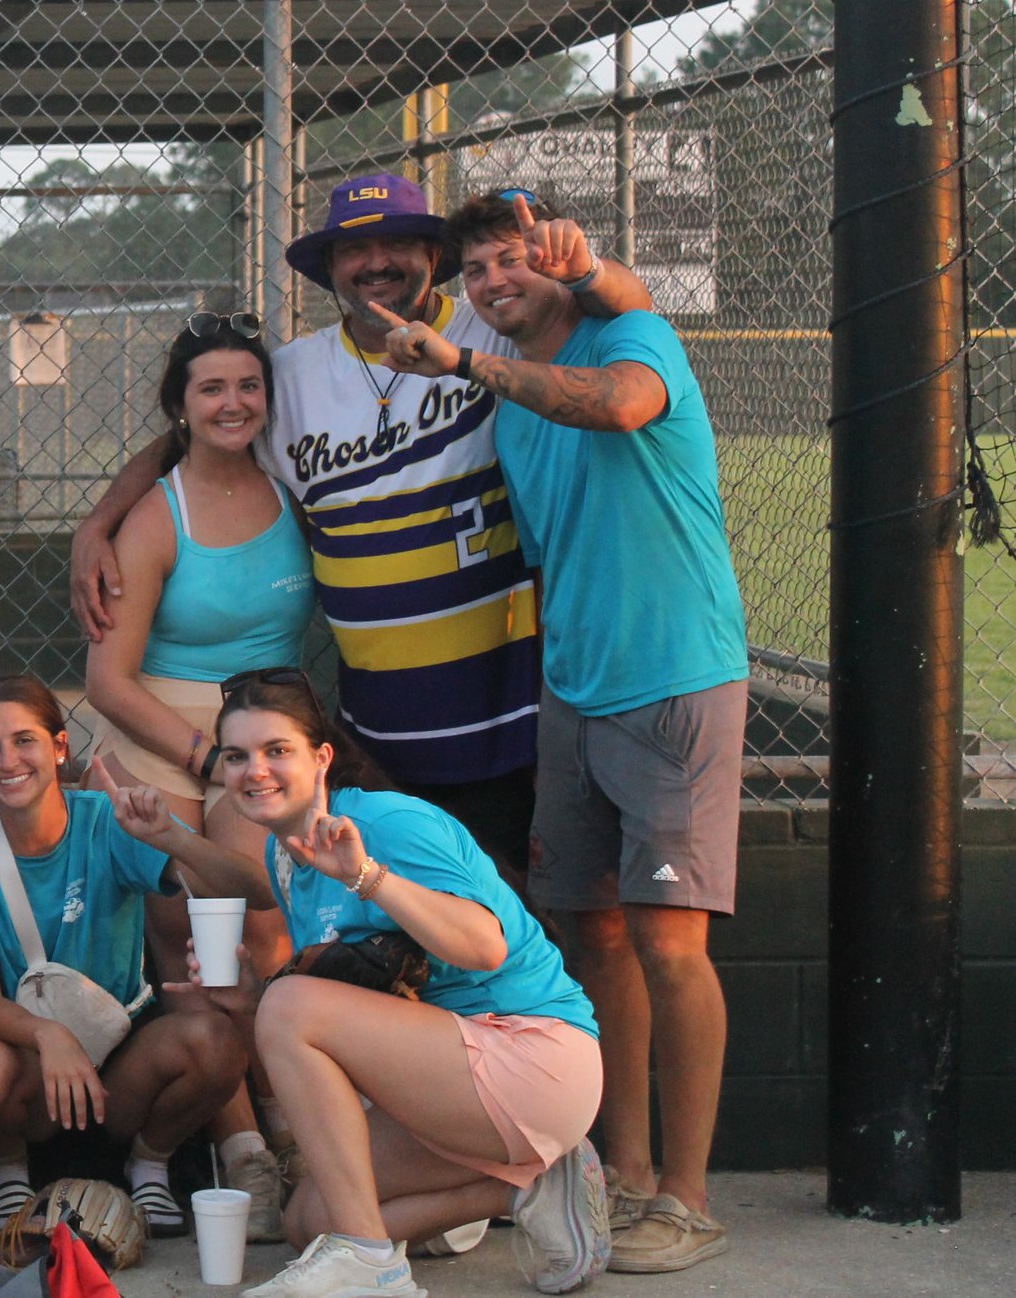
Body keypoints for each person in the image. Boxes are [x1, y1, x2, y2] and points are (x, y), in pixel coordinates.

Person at [69, 174, 653, 873]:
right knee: (399, 912)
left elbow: (630, 317)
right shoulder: (291, 377)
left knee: (525, 904)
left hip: (505, 705)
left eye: (398, 242)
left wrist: (585, 269)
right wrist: (98, 521)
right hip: (380, 720)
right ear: (330, 269)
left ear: (433, 256)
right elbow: (188, 434)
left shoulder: (487, 328)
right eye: (355, 248)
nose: (376, 261)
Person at [376, 190, 748, 1276]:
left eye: (511, 260)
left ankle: (686, 1193)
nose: (496, 282)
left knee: (673, 939)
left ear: (552, 259)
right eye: (477, 270)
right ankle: (621, 1171)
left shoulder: (631, 334)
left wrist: (469, 361)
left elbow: (617, 405)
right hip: (573, 692)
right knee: (593, 932)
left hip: (674, 676)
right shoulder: (507, 415)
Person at [193, 667, 608, 1298]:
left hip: (536, 1053)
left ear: (321, 758)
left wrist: (366, 876)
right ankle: (528, 1183)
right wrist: (253, 999)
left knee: (291, 1008)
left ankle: (371, 1265)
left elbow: (485, 947)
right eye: (236, 755)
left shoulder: (386, 822)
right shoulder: (288, 856)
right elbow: (354, 1005)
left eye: (277, 751)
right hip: (454, 1069)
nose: (256, 771)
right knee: (311, 1221)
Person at [81, 312, 309, 1234]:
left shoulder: (294, 479)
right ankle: (246, 1151)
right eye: (210, 387)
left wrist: (242, 753)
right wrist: (203, 755)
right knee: (190, 943)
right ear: (180, 404)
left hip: (261, 728)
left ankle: (297, 1122)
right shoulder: (155, 513)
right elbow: (106, 678)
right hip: (159, 729)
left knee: (267, 929)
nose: (233, 402)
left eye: (247, 385)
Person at [0, 676, 268, 1238]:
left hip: (121, 1070)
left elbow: (259, 891)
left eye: (25, 740)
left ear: (59, 747)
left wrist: (170, 838)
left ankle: (149, 1163)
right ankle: (9, 1169)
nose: (8, 760)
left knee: (217, 1041)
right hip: (31, 1076)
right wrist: (49, 1037)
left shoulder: (107, 819)